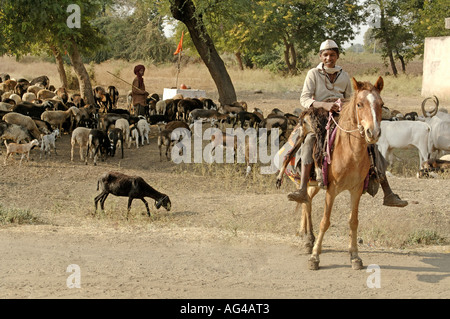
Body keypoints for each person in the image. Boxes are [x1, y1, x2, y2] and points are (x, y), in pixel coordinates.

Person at [287, 39, 408, 207]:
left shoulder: (343, 75)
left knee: (369, 143)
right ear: (321, 57)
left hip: (341, 113)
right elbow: (305, 99)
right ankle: (302, 189)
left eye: (332, 55)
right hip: (318, 114)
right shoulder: (313, 74)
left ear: (337, 56)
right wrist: (325, 104)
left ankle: (388, 192)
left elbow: (351, 98)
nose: (329, 58)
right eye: (326, 55)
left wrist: (343, 106)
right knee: (310, 141)